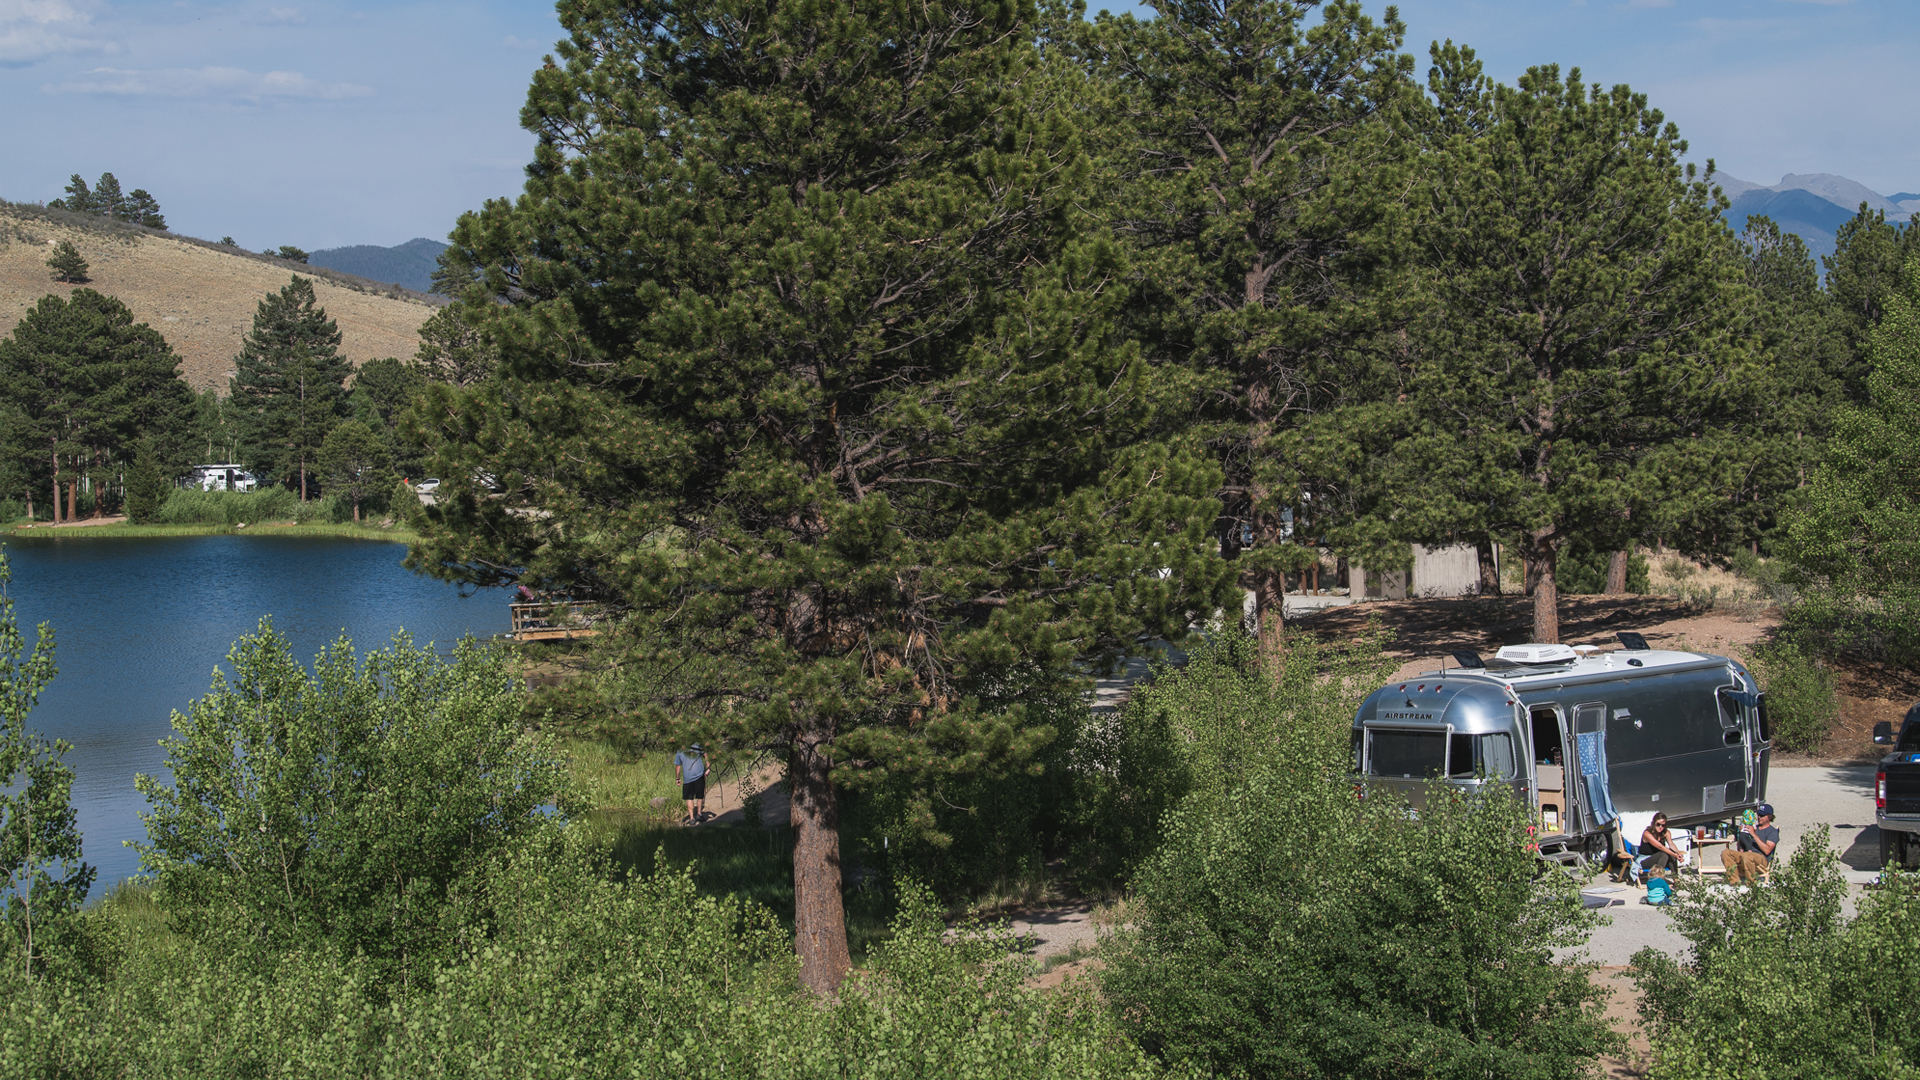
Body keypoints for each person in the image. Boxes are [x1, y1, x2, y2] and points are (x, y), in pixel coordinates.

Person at [1721, 803, 1779, 884]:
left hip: (1761, 859)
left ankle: (1751, 883)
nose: (1759, 817)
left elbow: (1767, 850)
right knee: (1726, 853)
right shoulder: (1752, 827)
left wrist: (1753, 834)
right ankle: (1734, 882)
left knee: (1747, 855)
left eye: (1762, 815)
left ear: (1769, 817)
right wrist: (1741, 834)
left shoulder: (1772, 832)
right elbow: (1740, 848)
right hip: (1746, 857)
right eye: (1758, 814)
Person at [1637, 813, 1685, 881]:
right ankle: (1658, 880)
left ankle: (1676, 880)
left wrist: (1678, 853)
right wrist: (1674, 855)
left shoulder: (1666, 833)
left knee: (1670, 852)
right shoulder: (1647, 833)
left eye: (1663, 825)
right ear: (1654, 823)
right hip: (1644, 860)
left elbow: (1671, 844)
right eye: (1658, 824)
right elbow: (1660, 847)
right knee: (1665, 853)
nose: (1660, 827)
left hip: (1659, 860)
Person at [674, 743, 709, 825]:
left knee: (690, 797)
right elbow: (706, 755)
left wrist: (677, 778)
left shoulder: (680, 750)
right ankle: (698, 814)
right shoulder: (697, 746)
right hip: (697, 775)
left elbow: (678, 766)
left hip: (689, 777)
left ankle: (692, 818)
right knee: (699, 795)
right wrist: (708, 768)